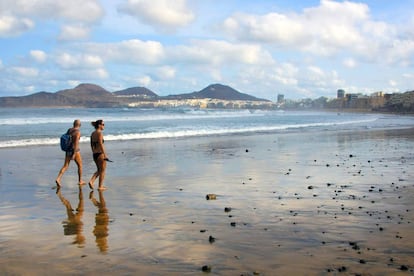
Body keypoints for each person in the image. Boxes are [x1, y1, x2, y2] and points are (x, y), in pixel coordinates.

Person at [56, 119, 85, 187]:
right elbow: (76, 143)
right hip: (75, 150)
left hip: (68, 150)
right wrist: (74, 154)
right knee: (80, 165)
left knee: (65, 166)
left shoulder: (69, 130)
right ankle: (80, 181)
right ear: (80, 125)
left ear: (73, 124)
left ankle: (58, 178)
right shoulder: (78, 132)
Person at [89, 119, 108, 190]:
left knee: (99, 170)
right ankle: (100, 186)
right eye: (103, 124)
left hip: (95, 154)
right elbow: (100, 144)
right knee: (102, 171)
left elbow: (91, 144)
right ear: (99, 125)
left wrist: (93, 151)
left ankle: (91, 181)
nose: (104, 126)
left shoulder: (93, 133)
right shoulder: (100, 133)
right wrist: (104, 154)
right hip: (100, 154)